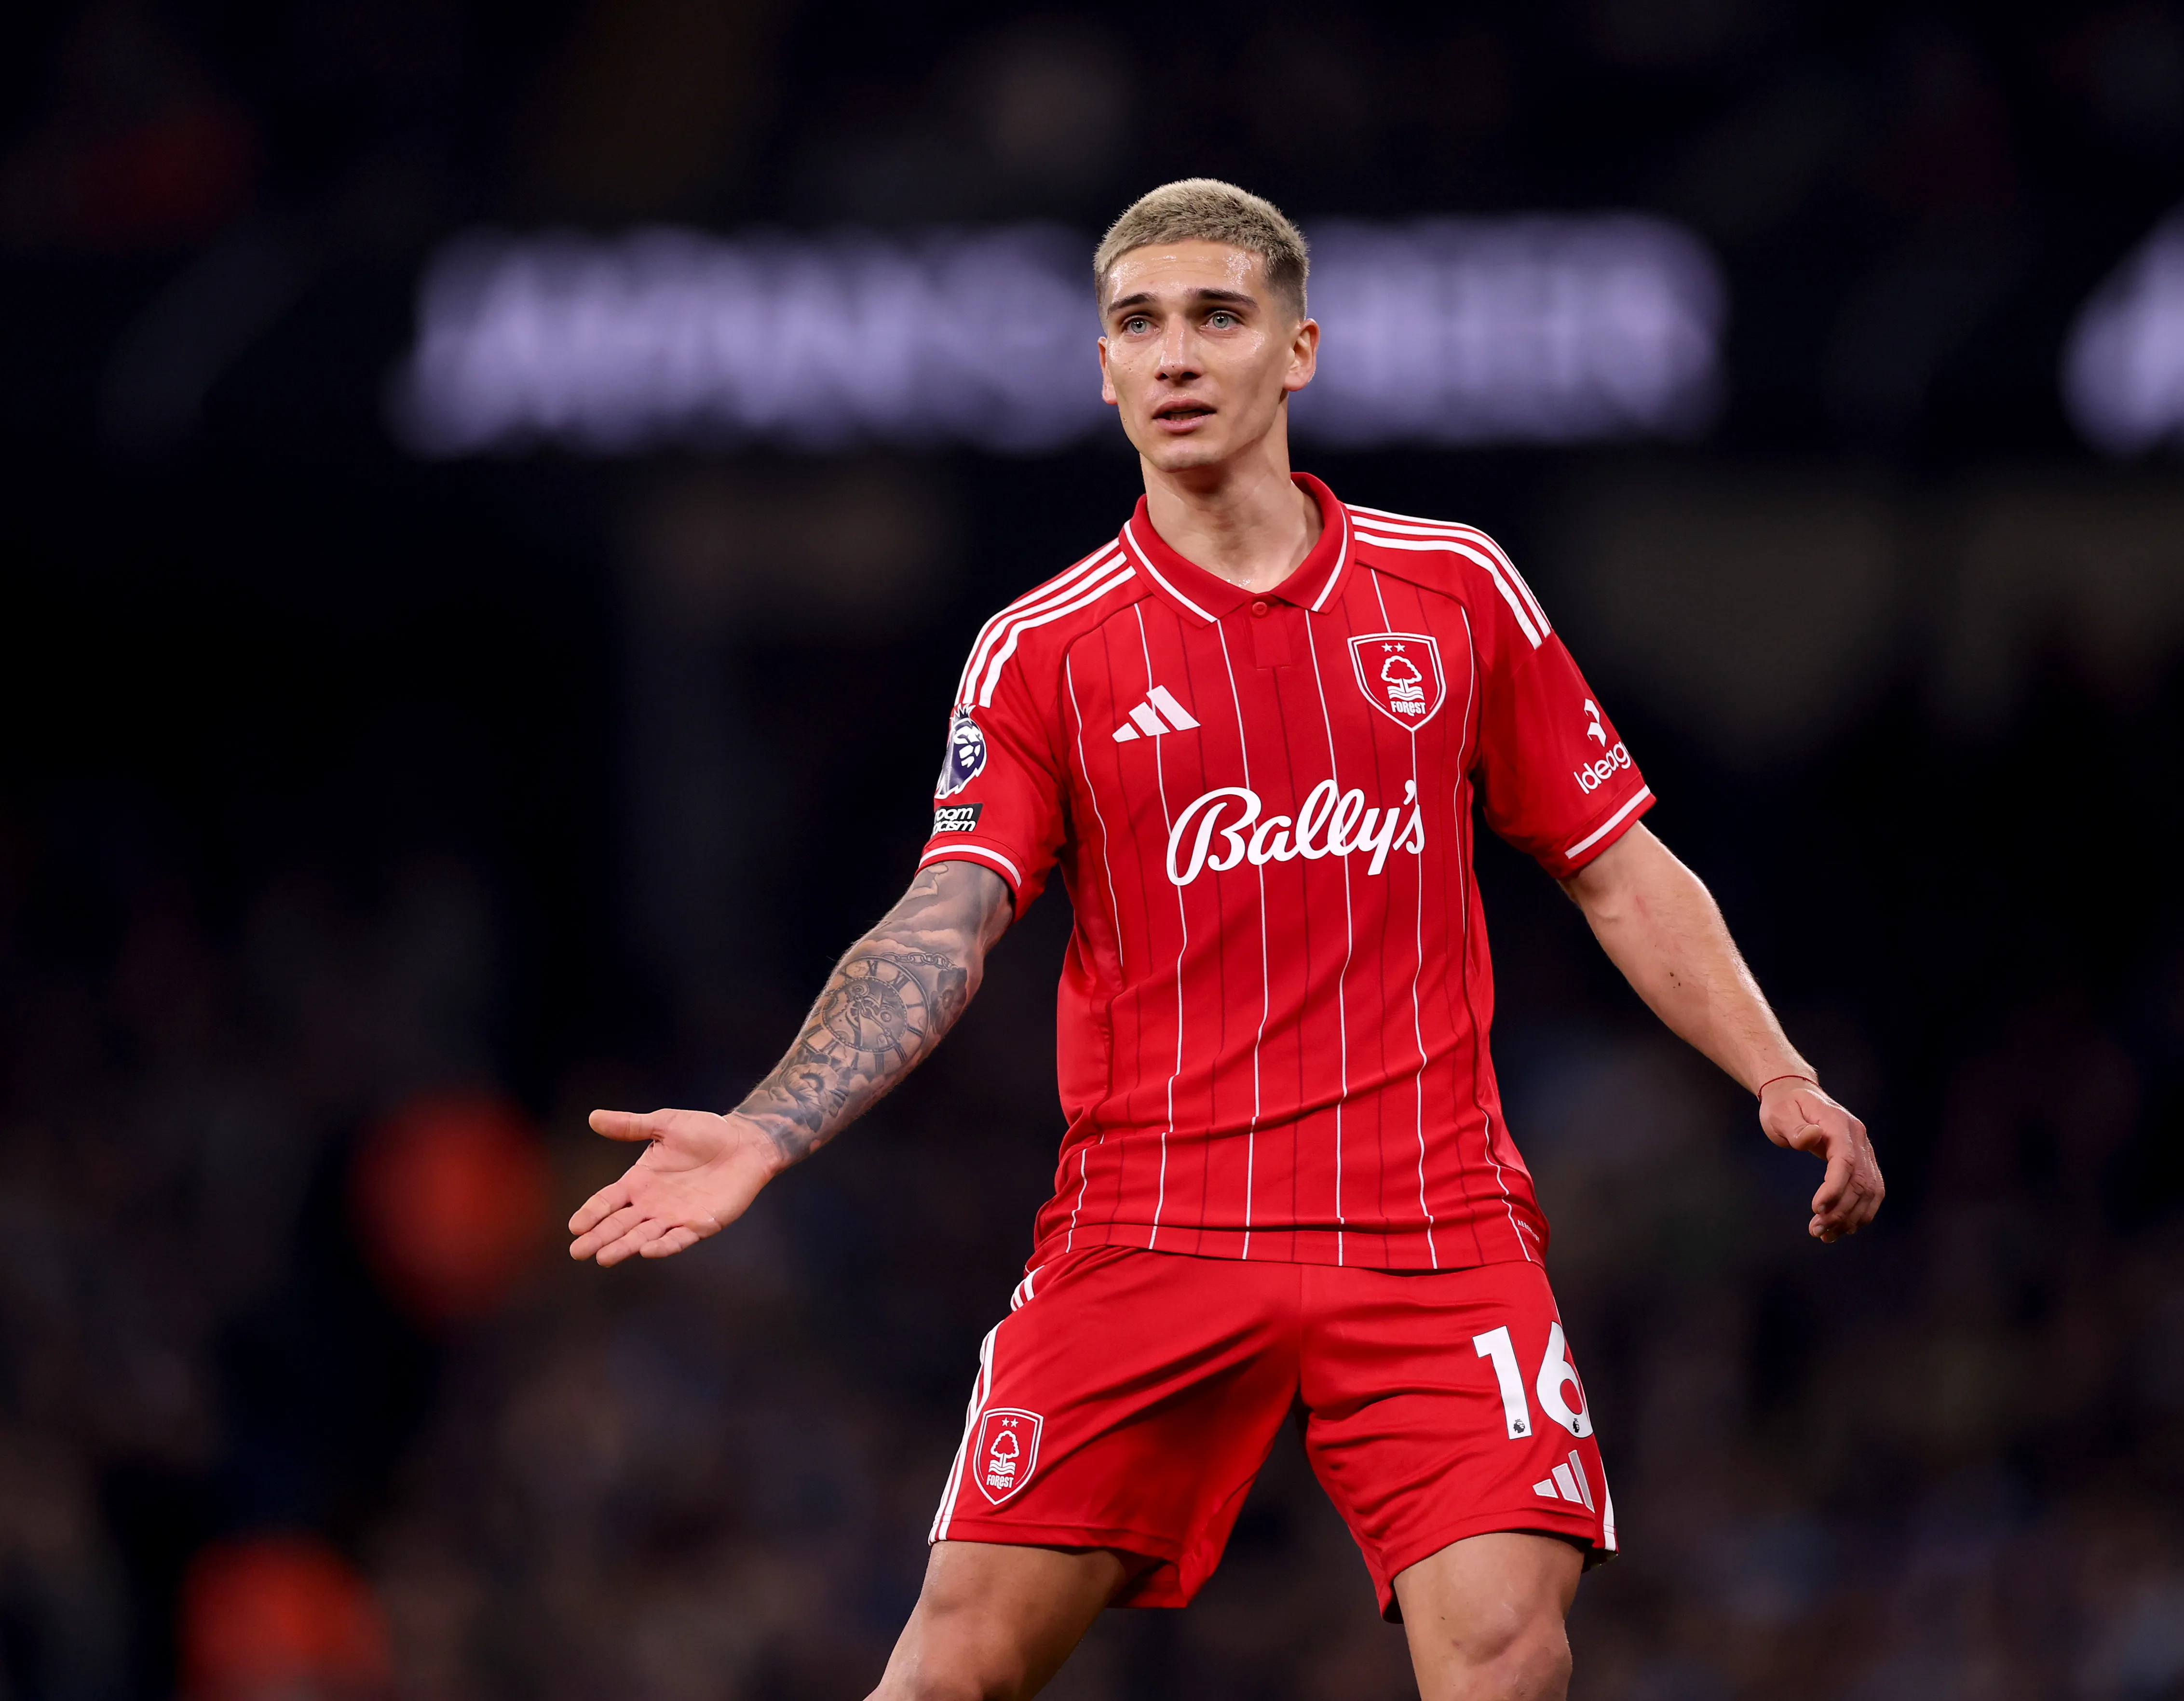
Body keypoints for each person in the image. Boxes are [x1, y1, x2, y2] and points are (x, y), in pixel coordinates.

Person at [568, 179, 1883, 1701]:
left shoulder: (1452, 590)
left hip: (1431, 1228)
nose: (1175, 354)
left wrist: (1777, 1072)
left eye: (1216, 316)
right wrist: (769, 1128)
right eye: (1138, 323)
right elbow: (948, 916)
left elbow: (1617, 866)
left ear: (1298, 350)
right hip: (1152, 1229)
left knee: (1515, 1652)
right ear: (1103, 368)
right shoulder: (1047, 647)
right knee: (954, 1671)